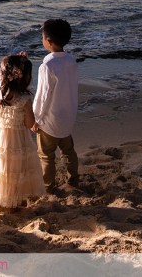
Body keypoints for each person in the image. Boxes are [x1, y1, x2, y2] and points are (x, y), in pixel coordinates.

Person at [0, 53, 43, 209]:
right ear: (24, 78)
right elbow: (29, 123)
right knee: (14, 169)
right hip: (17, 139)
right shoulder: (24, 99)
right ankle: (13, 202)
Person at [31, 18, 80, 194]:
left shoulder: (47, 65)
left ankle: (48, 186)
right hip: (68, 116)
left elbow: (43, 96)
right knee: (68, 151)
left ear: (48, 41)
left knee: (46, 155)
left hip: (50, 120)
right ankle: (73, 179)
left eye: (43, 37)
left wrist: (36, 118)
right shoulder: (71, 60)